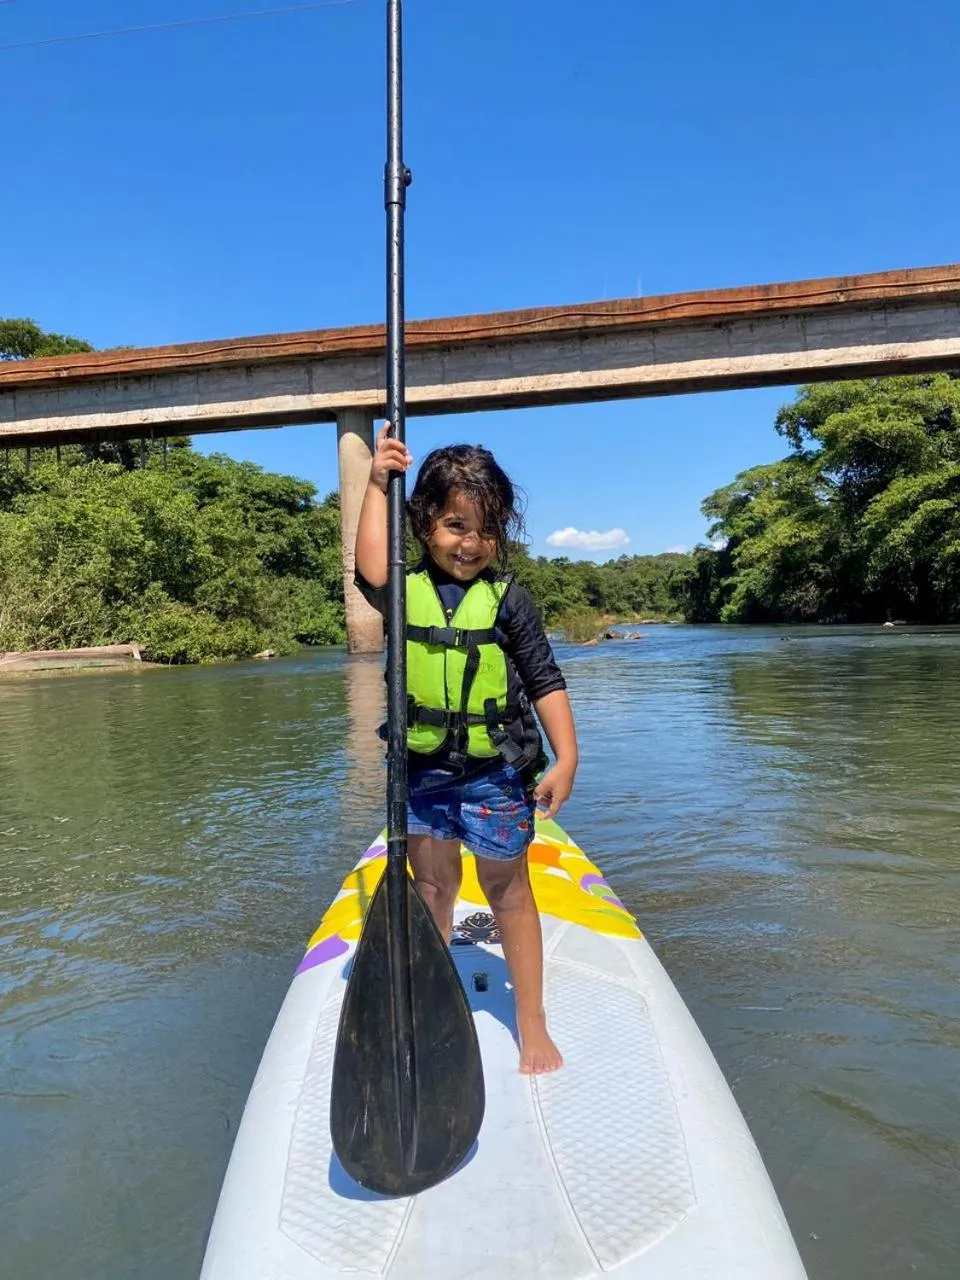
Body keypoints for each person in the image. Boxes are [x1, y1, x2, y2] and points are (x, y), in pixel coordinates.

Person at [354, 426, 578, 1075]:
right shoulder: (400, 589)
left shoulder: (509, 601)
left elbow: (545, 679)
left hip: (493, 777)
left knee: (507, 890)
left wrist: (566, 756)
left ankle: (530, 1020)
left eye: (485, 529)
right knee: (431, 885)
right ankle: (430, 999)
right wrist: (375, 482)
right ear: (424, 523)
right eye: (455, 525)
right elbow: (369, 563)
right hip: (422, 774)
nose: (471, 543)